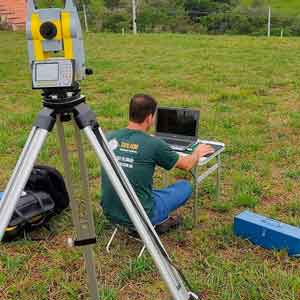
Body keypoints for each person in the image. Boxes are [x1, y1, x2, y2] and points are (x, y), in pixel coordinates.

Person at [101, 94, 214, 233]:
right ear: (149, 117)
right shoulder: (154, 144)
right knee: (184, 186)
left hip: (110, 211)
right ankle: (157, 222)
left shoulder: (109, 137)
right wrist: (197, 152)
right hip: (142, 215)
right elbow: (186, 165)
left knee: (141, 188)